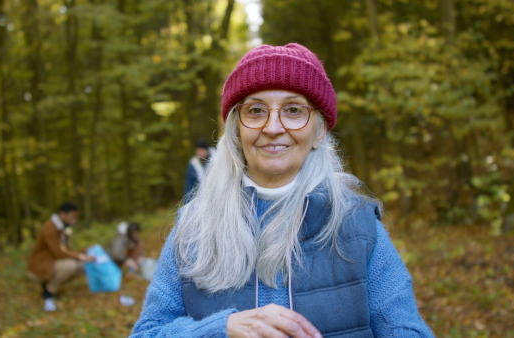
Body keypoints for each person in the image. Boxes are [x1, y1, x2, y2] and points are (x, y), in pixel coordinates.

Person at [131, 43, 434, 337]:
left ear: (318, 131)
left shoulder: (358, 224)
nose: (273, 127)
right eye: (256, 110)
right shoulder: (193, 227)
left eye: (293, 110)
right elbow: (148, 333)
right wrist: (219, 330)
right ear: (236, 130)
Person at [27, 202, 94, 311]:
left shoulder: (63, 228)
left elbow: (67, 250)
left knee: (82, 266)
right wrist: (81, 256)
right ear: (62, 214)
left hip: (51, 263)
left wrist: (86, 251)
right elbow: (59, 252)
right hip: (40, 266)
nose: (74, 219)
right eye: (72, 216)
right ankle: (48, 292)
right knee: (71, 266)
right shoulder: (50, 227)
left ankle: (52, 287)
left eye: (75, 217)